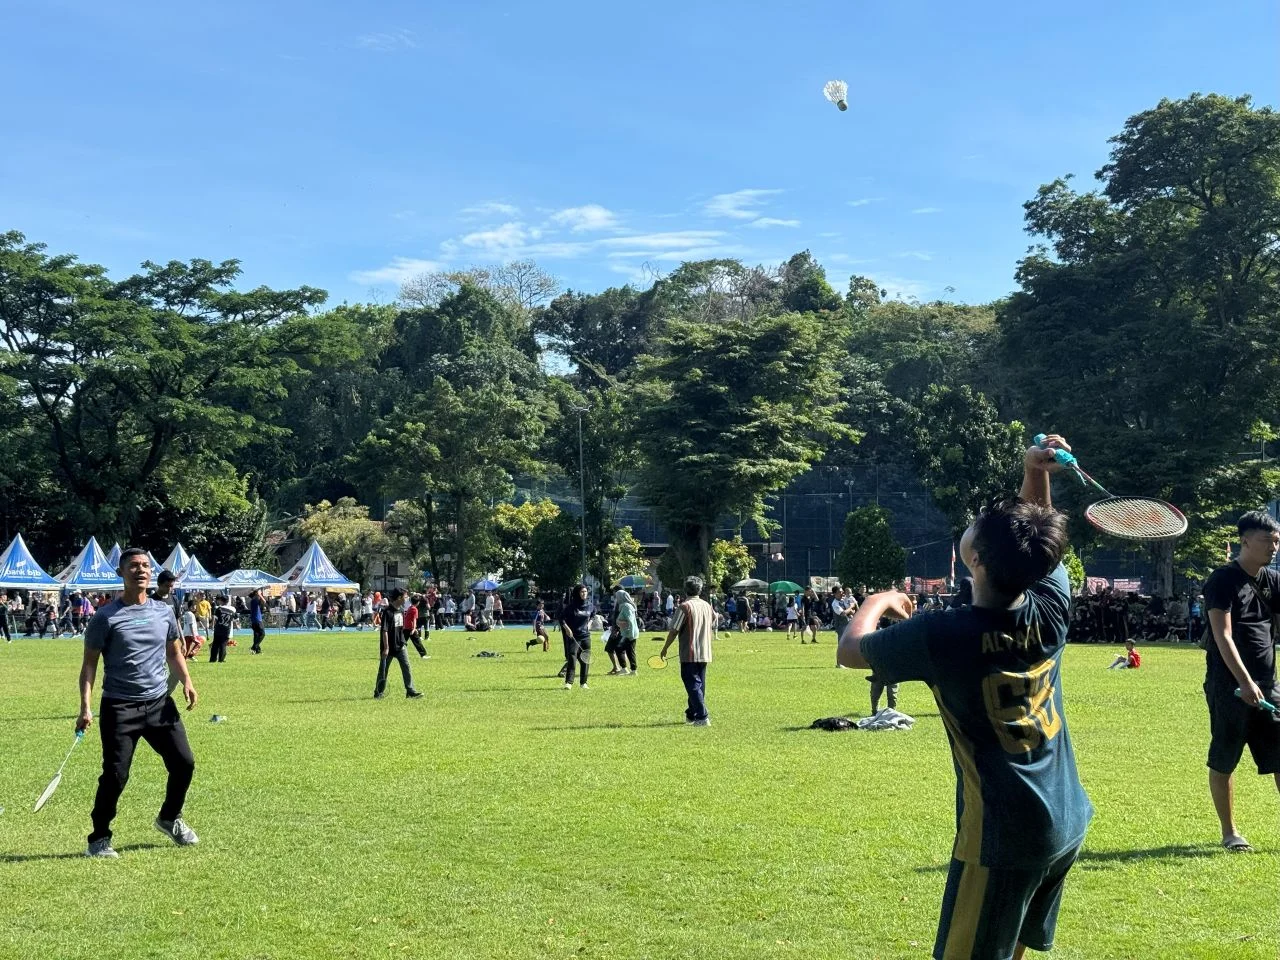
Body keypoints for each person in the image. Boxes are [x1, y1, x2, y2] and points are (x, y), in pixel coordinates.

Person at [836, 435, 1092, 960]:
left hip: (1004, 833)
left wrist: (878, 599)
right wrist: (1035, 471)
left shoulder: (943, 635)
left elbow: (850, 650)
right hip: (1065, 816)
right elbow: (1037, 543)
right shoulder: (1050, 607)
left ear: (974, 559)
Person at [78, 548, 200, 858]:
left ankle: (169, 818)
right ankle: (99, 838)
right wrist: (85, 707)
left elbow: (173, 651)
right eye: (133, 565)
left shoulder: (163, 612)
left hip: (159, 704)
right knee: (115, 775)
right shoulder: (105, 617)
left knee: (184, 763)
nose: (141, 570)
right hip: (120, 708)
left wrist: (186, 681)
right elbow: (90, 664)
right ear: (121, 573)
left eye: (145, 565)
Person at [1202, 510, 1280, 853]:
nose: (1273, 547)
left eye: (1277, 541)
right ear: (1245, 541)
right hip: (1229, 686)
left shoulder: (1273, 581)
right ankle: (1230, 833)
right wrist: (1245, 682)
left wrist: (1262, 683)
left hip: (1269, 683)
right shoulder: (1222, 580)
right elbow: (1223, 635)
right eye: (1267, 541)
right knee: (1225, 757)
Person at [659, 576, 716, 726]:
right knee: (699, 685)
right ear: (700, 590)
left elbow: (674, 630)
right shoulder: (707, 605)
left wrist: (665, 648)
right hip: (705, 651)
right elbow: (715, 619)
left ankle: (702, 717)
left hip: (689, 652)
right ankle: (691, 714)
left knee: (692, 685)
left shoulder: (685, 607)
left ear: (685, 589)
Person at [374, 589, 424, 700]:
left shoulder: (401, 610)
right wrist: (386, 648)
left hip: (400, 645)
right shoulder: (387, 612)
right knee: (383, 671)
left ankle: (410, 691)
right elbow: (384, 631)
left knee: (406, 667)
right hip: (389, 647)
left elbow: (401, 628)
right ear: (399, 598)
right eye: (405, 597)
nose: (406, 599)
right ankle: (378, 692)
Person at [559, 585, 592, 690]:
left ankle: (583, 683)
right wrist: (567, 629)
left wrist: (590, 623)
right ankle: (569, 682)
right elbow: (561, 618)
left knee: (585, 659)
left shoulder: (590, 605)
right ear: (577, 593)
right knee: (572, 658)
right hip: (574, 637)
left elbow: (593, 614)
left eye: (585, 591)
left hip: (585, 636)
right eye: (582, 592)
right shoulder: (571, 607)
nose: (584, 593)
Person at [614, 588, 640, 676]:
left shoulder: (626, 606)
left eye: (617, 597)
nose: (616, 599)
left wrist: (630, 634)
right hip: (626, 632)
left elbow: (630, 621)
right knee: (625, 650)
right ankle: (627, 669)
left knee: (626, 650)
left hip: (629, 633)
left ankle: (632, 670)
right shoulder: (625, 606)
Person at [209, 594, 236, 663]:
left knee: (215, 644)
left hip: (218, 628)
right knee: (223, 644)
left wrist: (212, 626)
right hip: (226, 629)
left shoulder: (219, 608)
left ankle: (213, 659)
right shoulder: (233, 609)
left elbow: (216, 619)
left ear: (221, 601)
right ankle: (221, 659)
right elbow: (236, 619)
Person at [403, 593, 427, 658]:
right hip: (410, 628)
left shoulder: (410, 608)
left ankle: (395, 653)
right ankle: (423, 654)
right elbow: (414, 619)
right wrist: (414, 629)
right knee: (417, 641)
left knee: (402, 642)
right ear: (418, 602)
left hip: (406, 627)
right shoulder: (414, 609)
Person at [248, 588, 266, 654]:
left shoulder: (253, 601)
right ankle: (254, 647)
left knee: (256, 635)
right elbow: (264, 601)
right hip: (257, 620)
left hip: (254, 621)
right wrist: (260, 594)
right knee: (262, 634)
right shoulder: (255, 600)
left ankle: (257, 650)